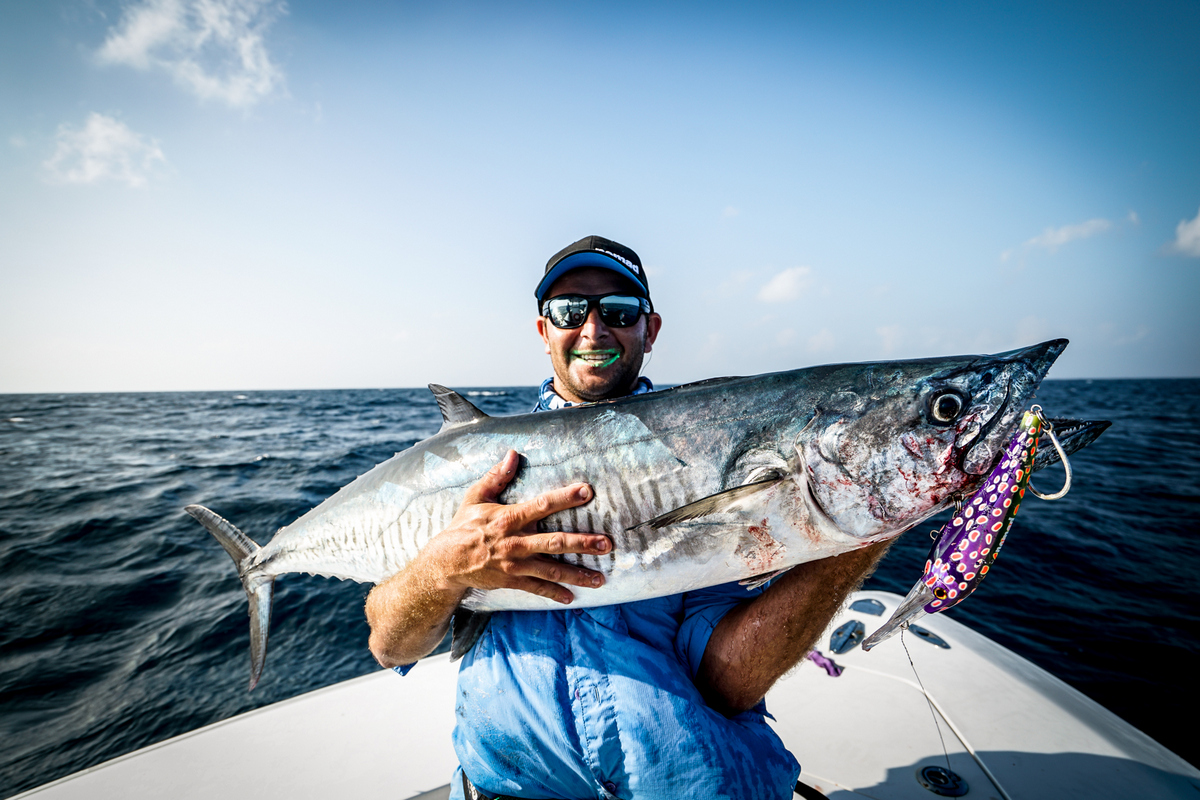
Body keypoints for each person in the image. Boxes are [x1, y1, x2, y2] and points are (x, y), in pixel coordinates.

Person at [365, 236, 888, 800]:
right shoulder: (478, 468)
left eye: (618, 311)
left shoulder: (703, 446)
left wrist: (860, 527)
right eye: (569, 311)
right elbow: (391, 645)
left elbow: (728, 683)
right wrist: (444, 570)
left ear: (650, 329)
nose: (593, 330)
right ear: (544, 331)